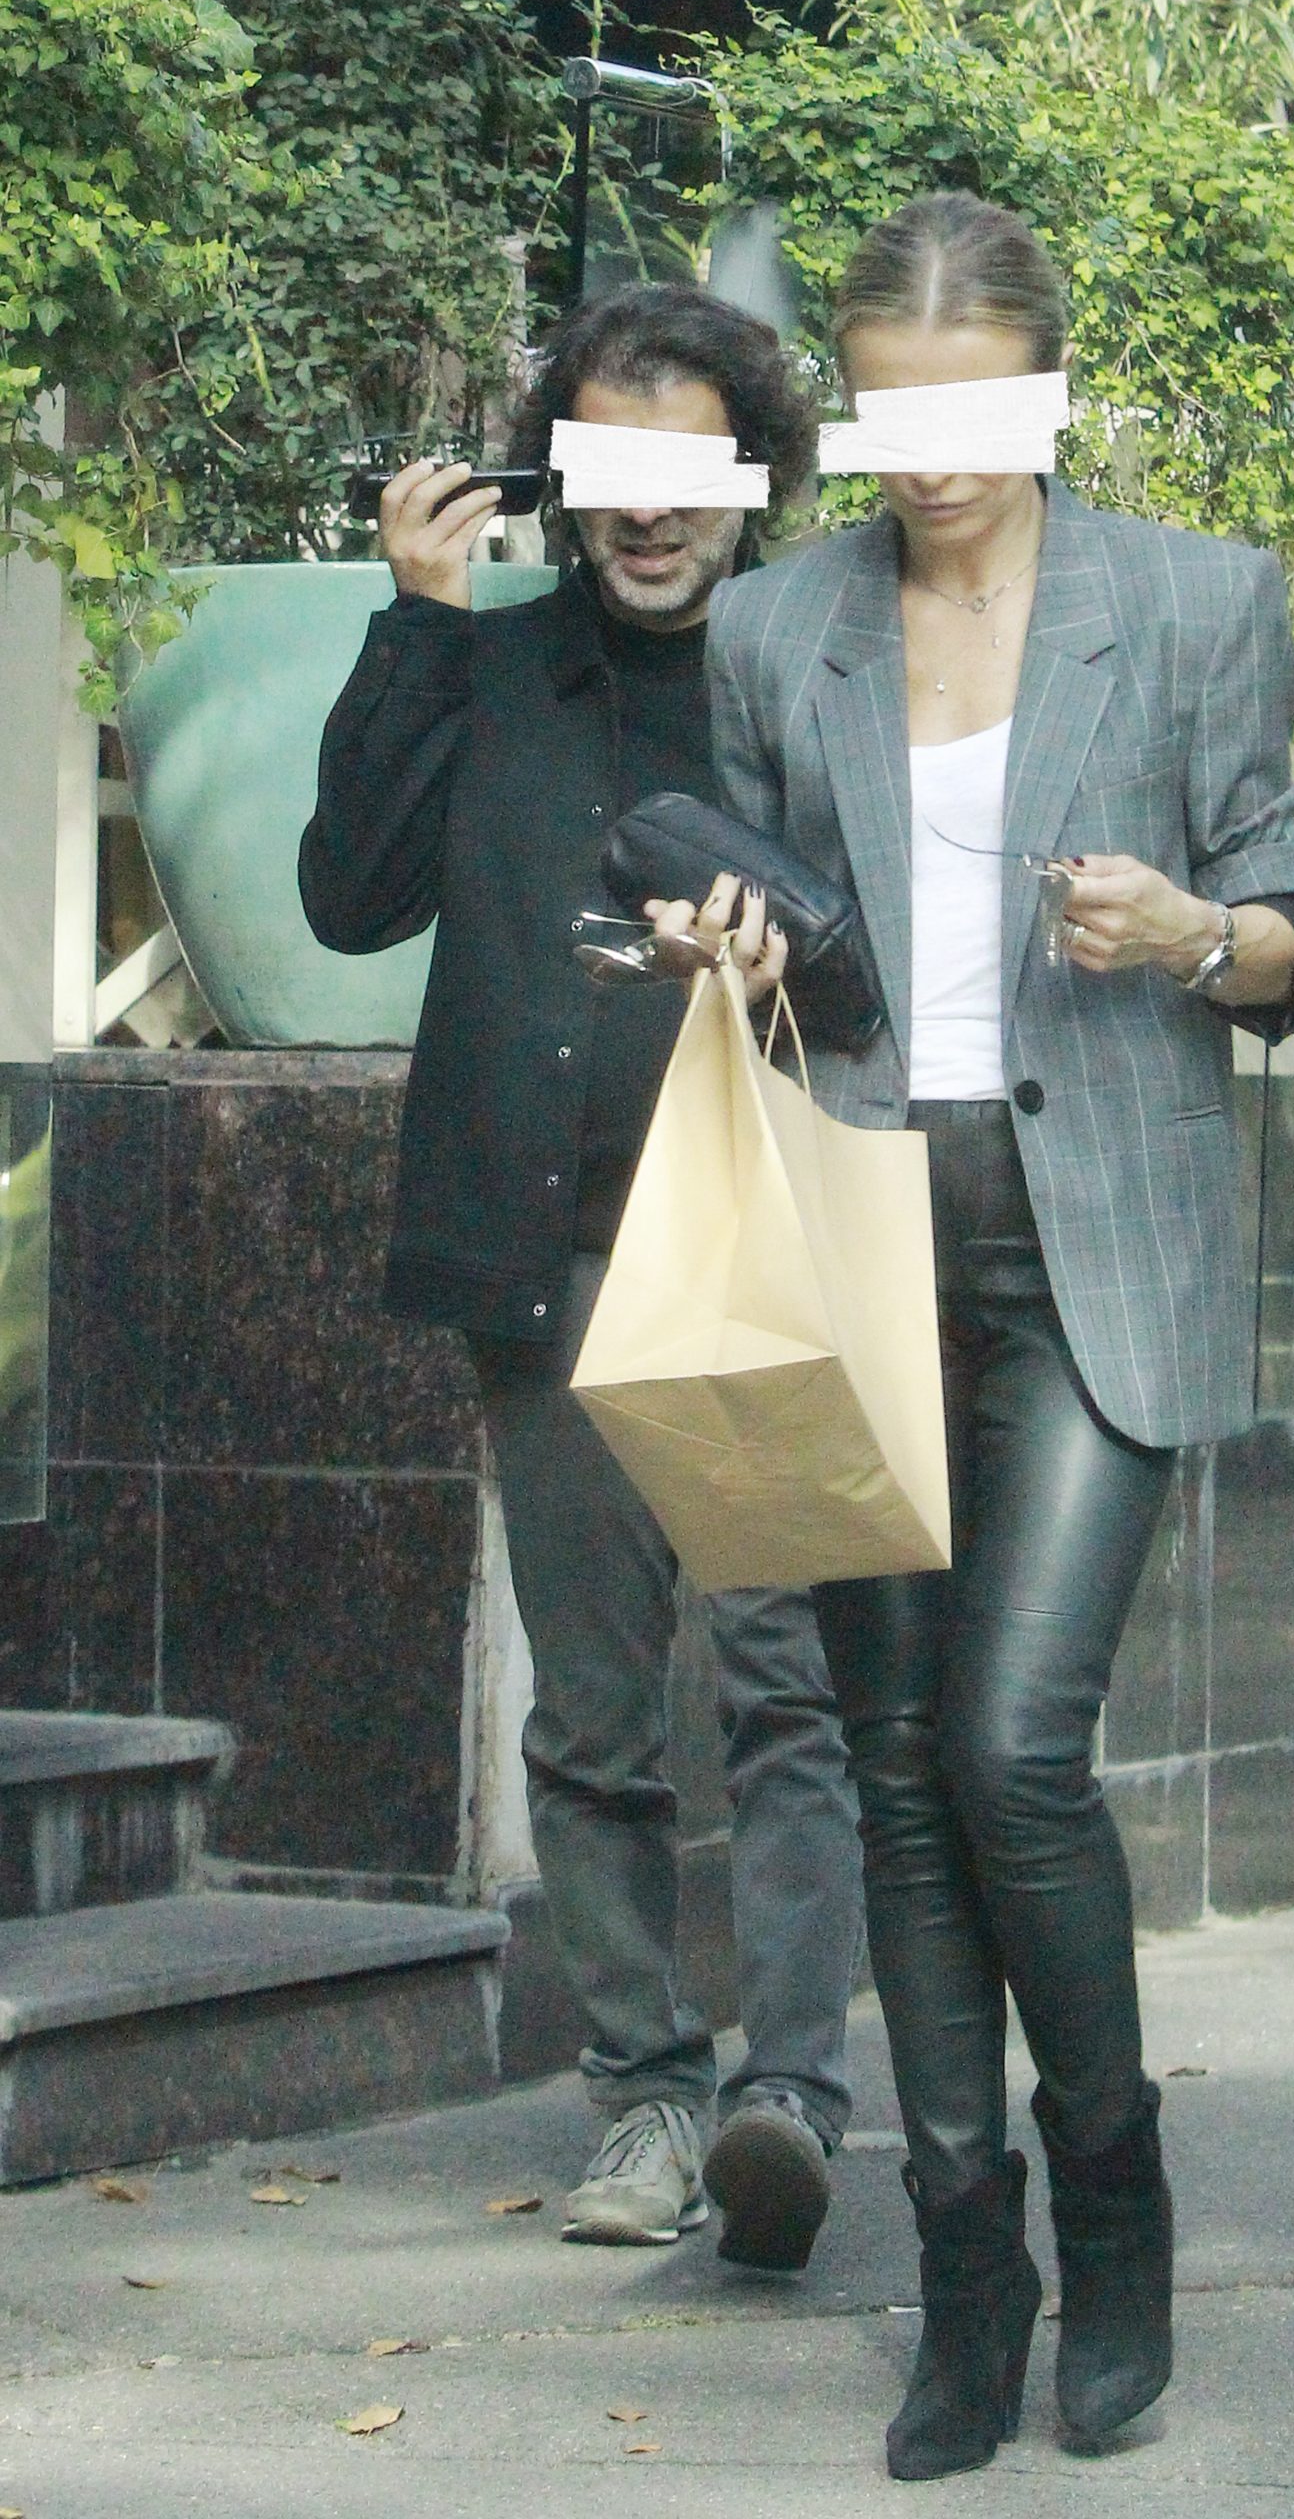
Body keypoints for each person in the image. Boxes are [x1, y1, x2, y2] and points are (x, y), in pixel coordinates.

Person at [680, 192, 1294, 2475]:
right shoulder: (776, 625)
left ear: (1048, 390)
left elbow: (1289, 920)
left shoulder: (1192, 601)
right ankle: (969, 2264)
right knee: (888, 1764)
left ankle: (1116, 2201)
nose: (932, 456)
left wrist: (1191, 931)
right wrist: (728, 942)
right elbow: (775, 924)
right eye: (888, 411)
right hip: (862, 1227)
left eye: (972, 409)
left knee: (1009, 1748)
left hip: (1097, 1251)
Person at [298, 283, 866, 2273]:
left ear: (752, 480)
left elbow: (878, 972)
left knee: (788, 1694)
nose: (650, 509)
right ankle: (645, 2093)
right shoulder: (487, 666)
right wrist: (416, 617)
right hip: (545, 1259)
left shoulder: (809, 680)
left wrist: (786, 950)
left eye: (690, 468)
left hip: (762, 1247)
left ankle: (791, 2097)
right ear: (562, 474)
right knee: (597, 1719)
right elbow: (347, 897)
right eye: (611, 465)